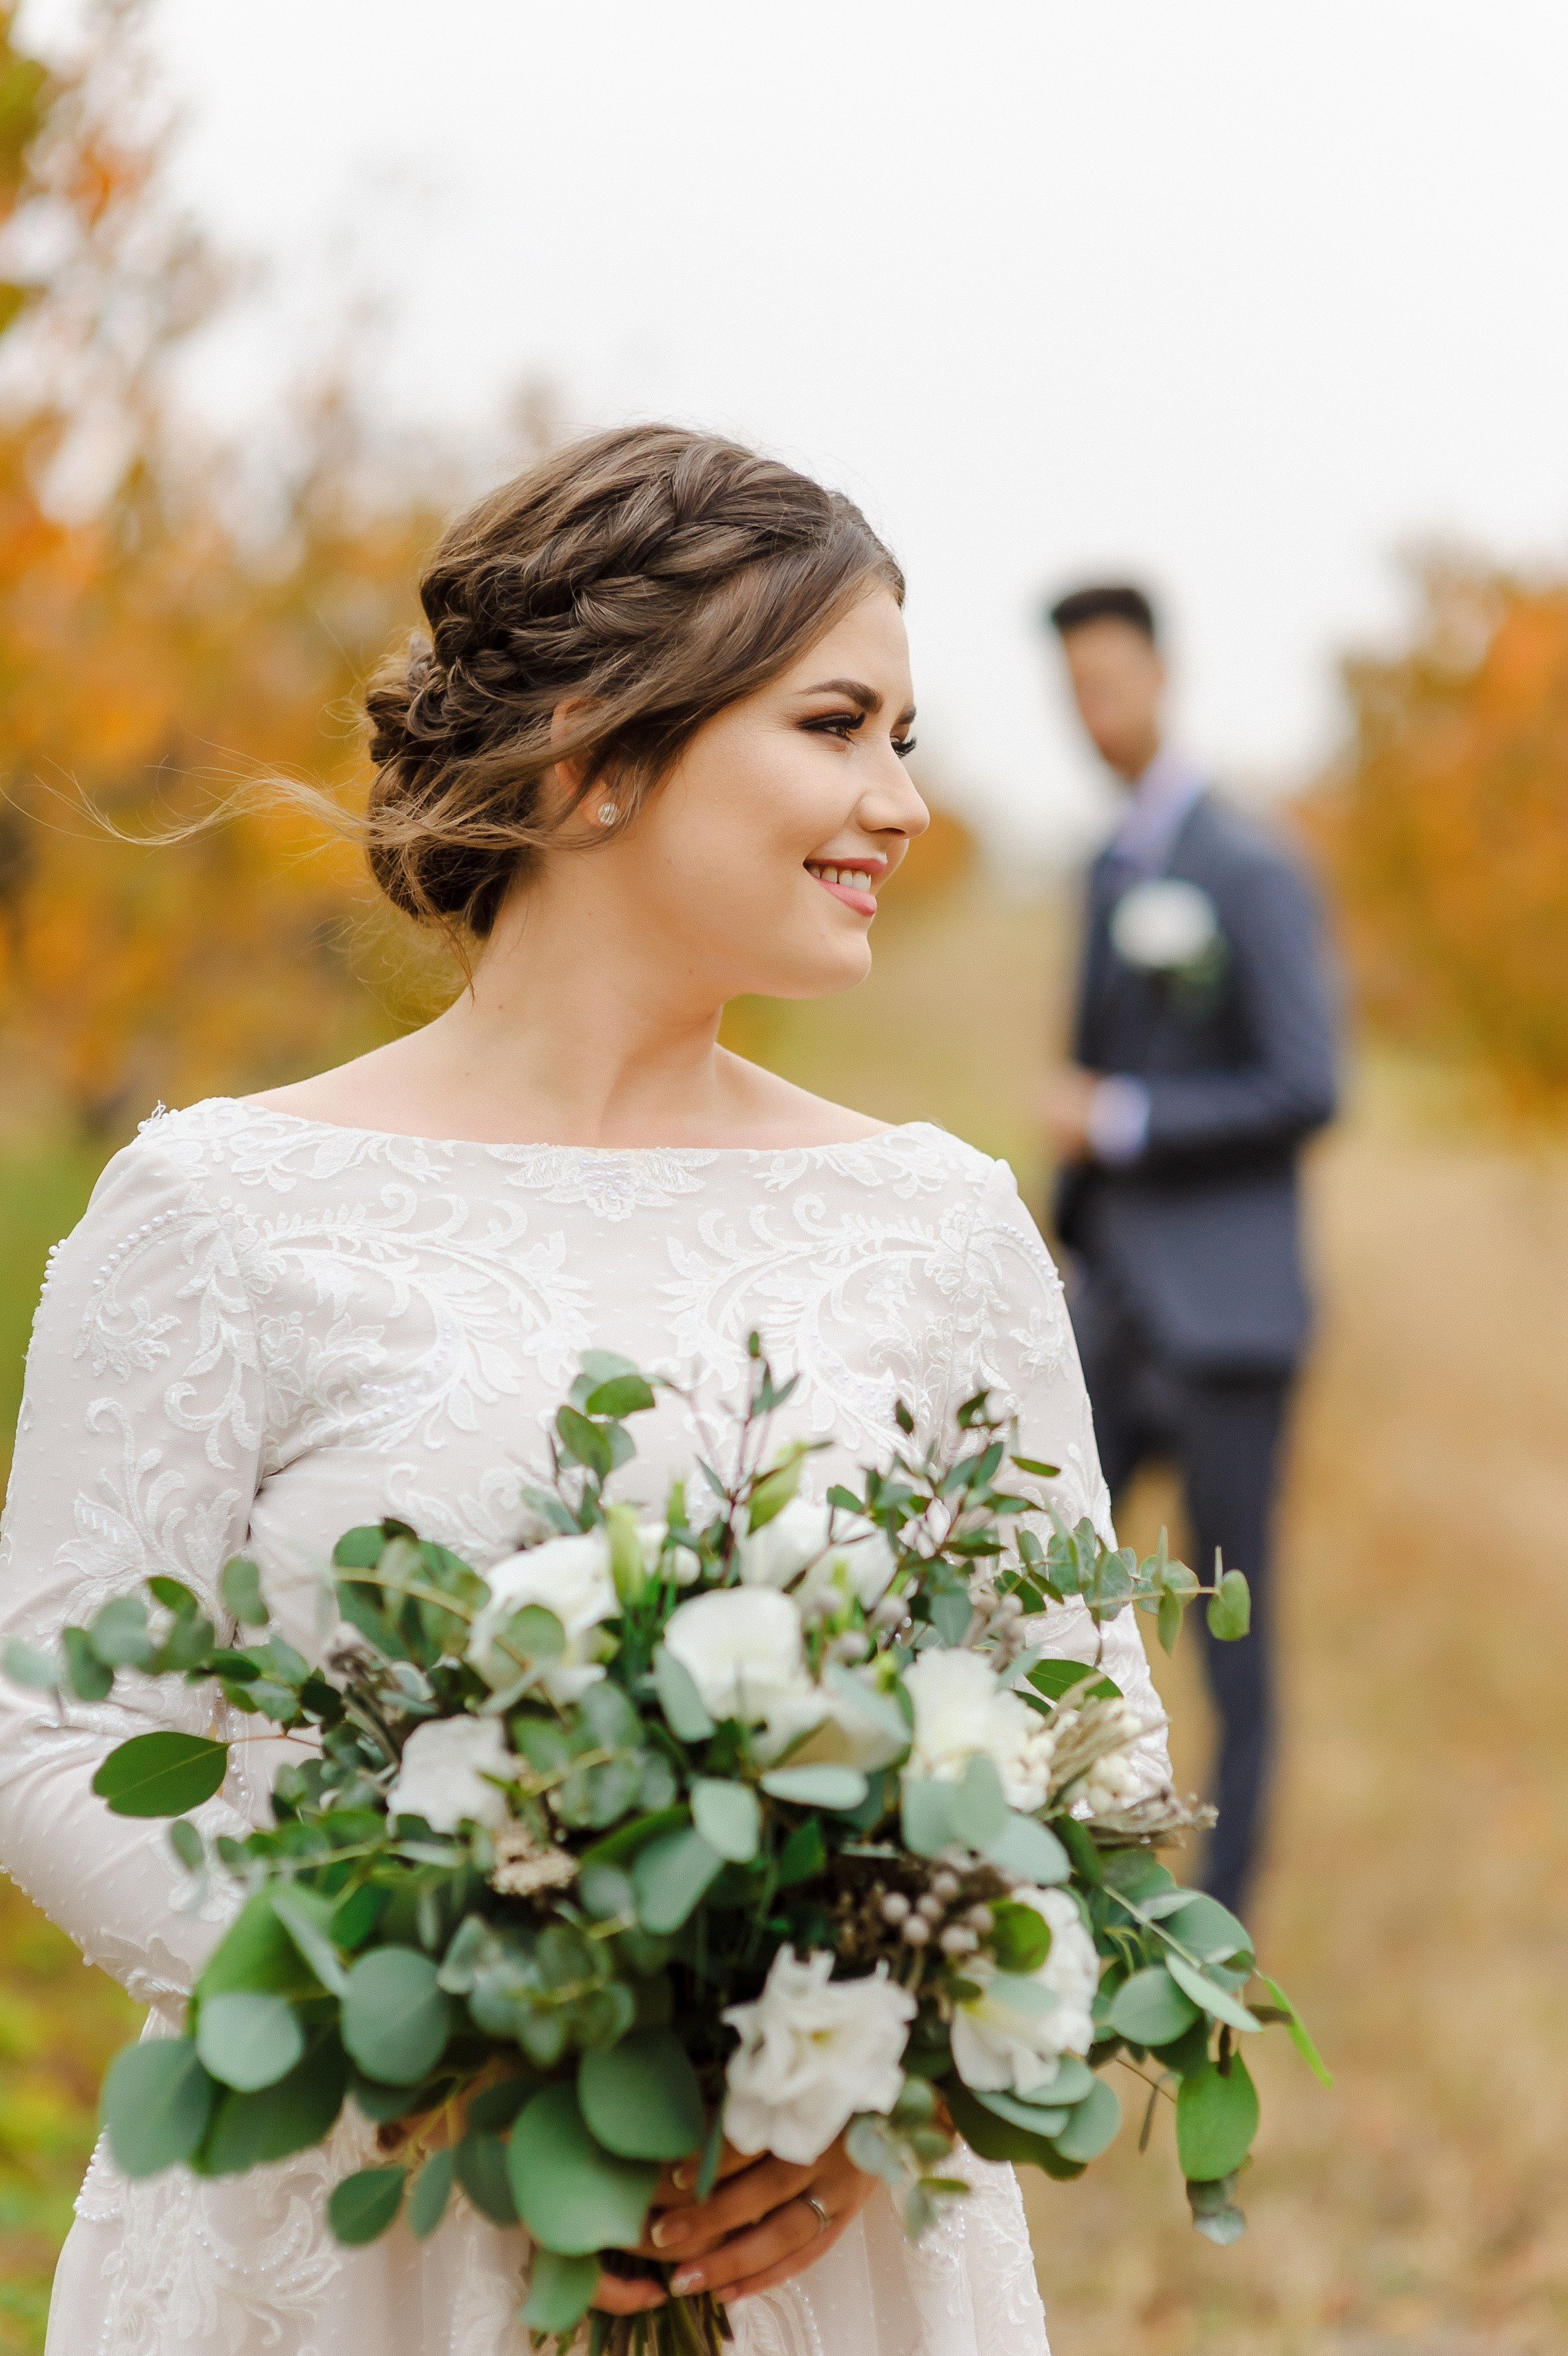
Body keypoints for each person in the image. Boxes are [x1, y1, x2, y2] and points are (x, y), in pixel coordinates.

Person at [0, 428, 1170, 2356]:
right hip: (344, 2225)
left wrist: (876, 2094)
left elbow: (1091, 1752)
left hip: (797, 2246)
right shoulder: (219, 1210)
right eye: (835, 725)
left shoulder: (941, 1230)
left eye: (905, 735)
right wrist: (437, 2038)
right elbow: (57, 1738)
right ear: (592, 757)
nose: (900, 798)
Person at [1042, 584, 1337, 1916]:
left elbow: (1307, 1082)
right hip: (1110, 1306)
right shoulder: (1111, 863)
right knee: (1045, 1588)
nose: (1092, 712)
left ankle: (1223, 1906)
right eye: (1073, 687)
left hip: (1226, 1320)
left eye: (1109, 680)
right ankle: (1049, 1859)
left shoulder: (1251, 865)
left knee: (1233, 1626)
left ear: (1164, 674)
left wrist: (1127, 1116)